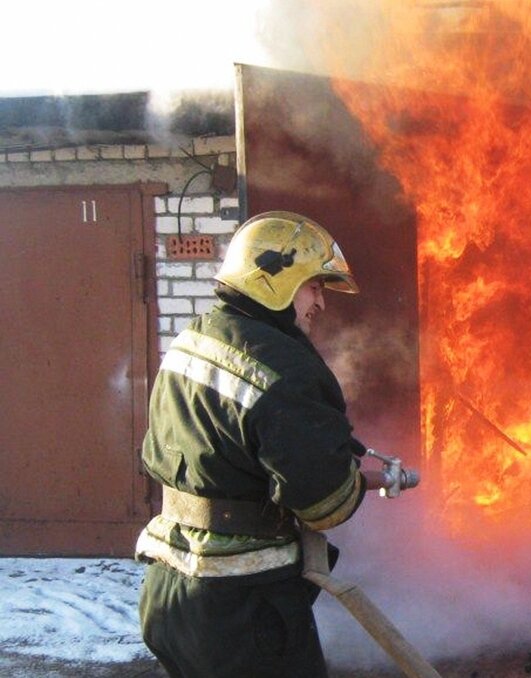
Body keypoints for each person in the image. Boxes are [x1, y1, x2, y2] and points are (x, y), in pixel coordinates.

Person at [135, 210, 393, 677]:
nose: (320, 303)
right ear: (275, 279)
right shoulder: (284, 368)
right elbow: (325, 505)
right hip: (242, 607)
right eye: (314, 286)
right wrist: (357, 482)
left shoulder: (195, 336)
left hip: (169, 591)